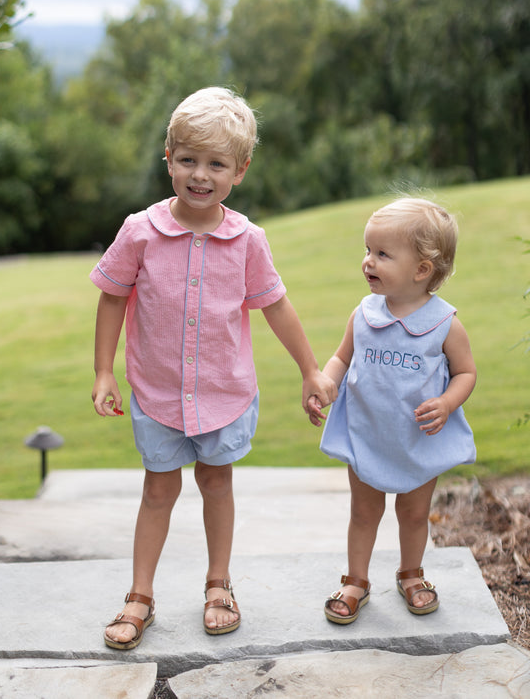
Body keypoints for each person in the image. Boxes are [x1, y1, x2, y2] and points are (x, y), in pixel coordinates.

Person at [90, 87, 336, 649]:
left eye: (216, 164)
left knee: (217, 483)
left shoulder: (248, 240)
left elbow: (275, 304)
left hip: (224, 393)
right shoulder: (140, 231)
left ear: (240, 170)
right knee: (158, 491)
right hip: (157, 394)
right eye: (188, 161)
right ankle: (140, 596)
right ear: (168, 160)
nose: (200, 175)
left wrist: (309, 370)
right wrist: (104, 372)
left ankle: (219, 585)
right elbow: (111, 298)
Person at [305, 197, 476, 623]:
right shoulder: (364, 314)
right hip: (368, 433)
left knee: (414, 512)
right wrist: (325, 384)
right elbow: (342, 359)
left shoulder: (444, 323)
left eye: (382, 254)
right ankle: (356, 580)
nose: (368, 261)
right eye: (367, 250)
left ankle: (412, 574)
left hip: (417, 439)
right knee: (364, 511)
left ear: (422, 270)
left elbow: (466, 373)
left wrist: (447, 401)